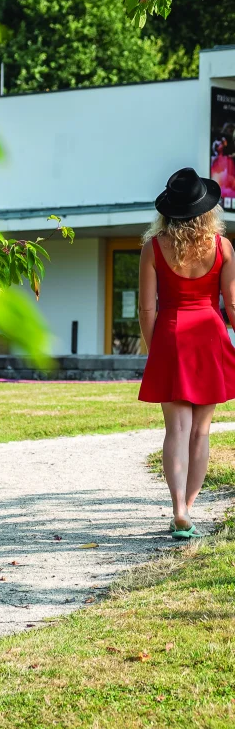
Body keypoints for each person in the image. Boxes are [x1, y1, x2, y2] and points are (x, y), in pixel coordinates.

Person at [138, 167, 235, 539]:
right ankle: (189, 510)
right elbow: (232, 303)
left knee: (176, 429)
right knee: (201, 431)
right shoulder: (221, 246)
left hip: (172, 335)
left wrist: (155, 349)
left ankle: (178, 506)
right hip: (210, 334)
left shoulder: (153, 247)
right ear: (206, 209)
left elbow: (148, 310)